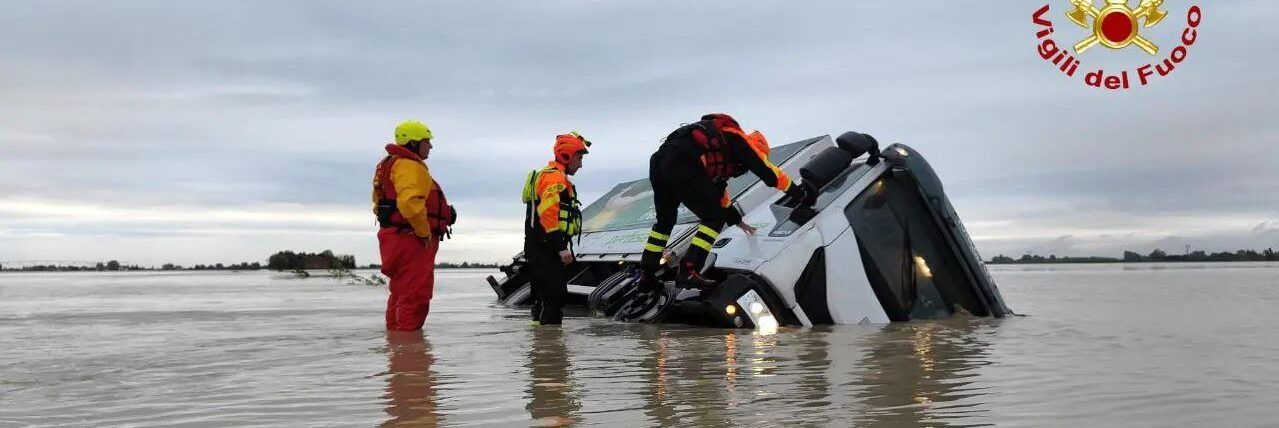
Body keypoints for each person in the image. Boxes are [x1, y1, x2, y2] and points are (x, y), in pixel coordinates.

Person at [640, 113, 812, 289]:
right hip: (682, 161)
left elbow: (718, 193)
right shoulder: (740, 140)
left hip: (659, 161)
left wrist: (737, 221)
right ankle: (688, 271)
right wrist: (799, 193)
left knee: (665, 222)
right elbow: (769, 173)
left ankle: (647, 275)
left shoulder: (720, 146)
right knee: (714, 217)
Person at [372, 120, 456, 331]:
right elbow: (409, 202)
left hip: (393, 236)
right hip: (412, 239)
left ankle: (397, 347)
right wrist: (423, 231)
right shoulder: (410, 166)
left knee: (400, 294)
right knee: (415, 296)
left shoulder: (389, 165)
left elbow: (378, 202)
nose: (430, 146)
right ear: (413, 143)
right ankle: (410, 356)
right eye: (427, 142)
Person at [521, 132, 590, 325]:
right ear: (567, 155)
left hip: (540, 246)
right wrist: (560, 247)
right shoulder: (554, 180)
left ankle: (543, 348)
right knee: (554, 298)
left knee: (543, 299)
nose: (581, 164)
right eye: (579, 157)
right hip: (547, 246)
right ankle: (551, 349)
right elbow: (549, 216)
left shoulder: (553, 177)